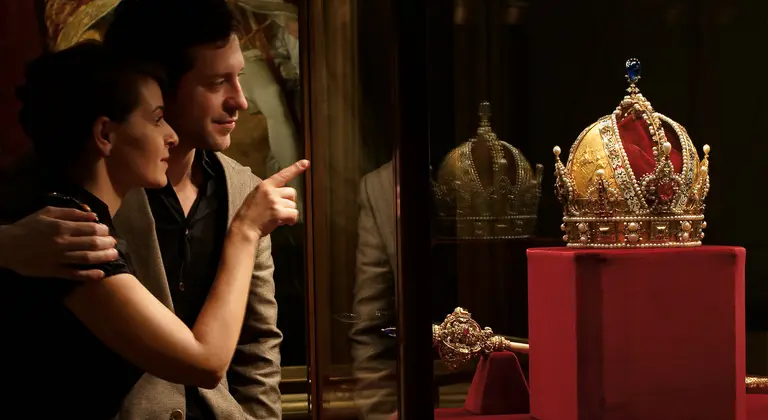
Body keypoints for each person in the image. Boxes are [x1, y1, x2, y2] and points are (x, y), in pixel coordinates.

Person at [0, 0, 291, 418]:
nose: (241, 102)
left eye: (240, 78)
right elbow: (205, 361)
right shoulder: (65, 204)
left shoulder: (242, 188)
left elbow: (257, 346)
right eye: (215, 83)